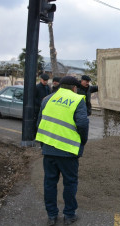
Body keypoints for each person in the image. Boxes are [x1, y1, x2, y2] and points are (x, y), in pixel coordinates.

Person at [35, 76, 89, 226]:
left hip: (49, 149)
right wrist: (82, 141)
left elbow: (39, 122)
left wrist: (44, 144)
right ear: (73, 88)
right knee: (70, 183)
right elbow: (83, 124)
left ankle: (52, 216)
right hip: (68, 151)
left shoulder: (47, 99)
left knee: (49, 183)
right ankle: (69, 215)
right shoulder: (77, 99)